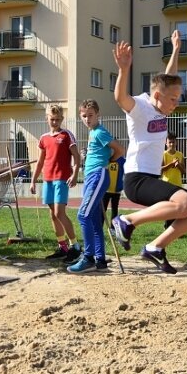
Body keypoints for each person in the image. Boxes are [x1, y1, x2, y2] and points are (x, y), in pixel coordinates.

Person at [111, 30, 187, 274]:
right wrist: (124, 70)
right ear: (157, 96)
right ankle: (126, 221)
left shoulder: (161, 104)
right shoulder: (141, 107)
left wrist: (176, 50)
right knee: (185, 201)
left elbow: (169, 77)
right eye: (173, 100)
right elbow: (119, 97)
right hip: (136, 178)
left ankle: (155, 247)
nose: (176, 104)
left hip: (152, 179)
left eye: (178, 99)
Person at [67, 100, 125, 273]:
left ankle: (88, 257)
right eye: (84, 116)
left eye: (90, 115)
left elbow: (120, 150)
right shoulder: (93, 133)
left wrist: (109, 161)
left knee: (83, 216)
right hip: (91, 177)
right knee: (93, 219)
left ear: (98, 115)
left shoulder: (99, 132)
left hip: (98, 176)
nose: (87, 119)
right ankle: (100, 259)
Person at [29, 104, 82, 262]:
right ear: (47, 119)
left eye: (58, 119)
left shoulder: (66, 135)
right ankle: (62, 247)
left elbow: (77, 157)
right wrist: (33, 181)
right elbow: (40, 162)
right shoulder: (44, 138)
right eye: (52, 119)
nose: (55, 122)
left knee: (60, 213)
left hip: (61, 179)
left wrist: (75, 174)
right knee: (53, 215)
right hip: (48, 180)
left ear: (62, 119)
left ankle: (75, 246)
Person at [160, 132, 185, 229]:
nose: (171, 144)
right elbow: (161, 169)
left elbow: (184, 171)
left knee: (178, 206)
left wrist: (178, 165)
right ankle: (168, 226)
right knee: (169, 207)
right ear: (166, 143)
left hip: (177, 184)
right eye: (169, 142)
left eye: (173, 142)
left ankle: (175, 228)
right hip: (167, 184)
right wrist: (171, 164)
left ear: (176, 143)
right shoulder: (164, 154)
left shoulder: (180, 154)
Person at [103, 156, 125, 221]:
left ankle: (113, 227)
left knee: (114, 209)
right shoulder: (106, 158)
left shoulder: (122, 160)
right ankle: (99, 227)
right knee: (103, 209)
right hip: (106, 189)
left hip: (117, 190)